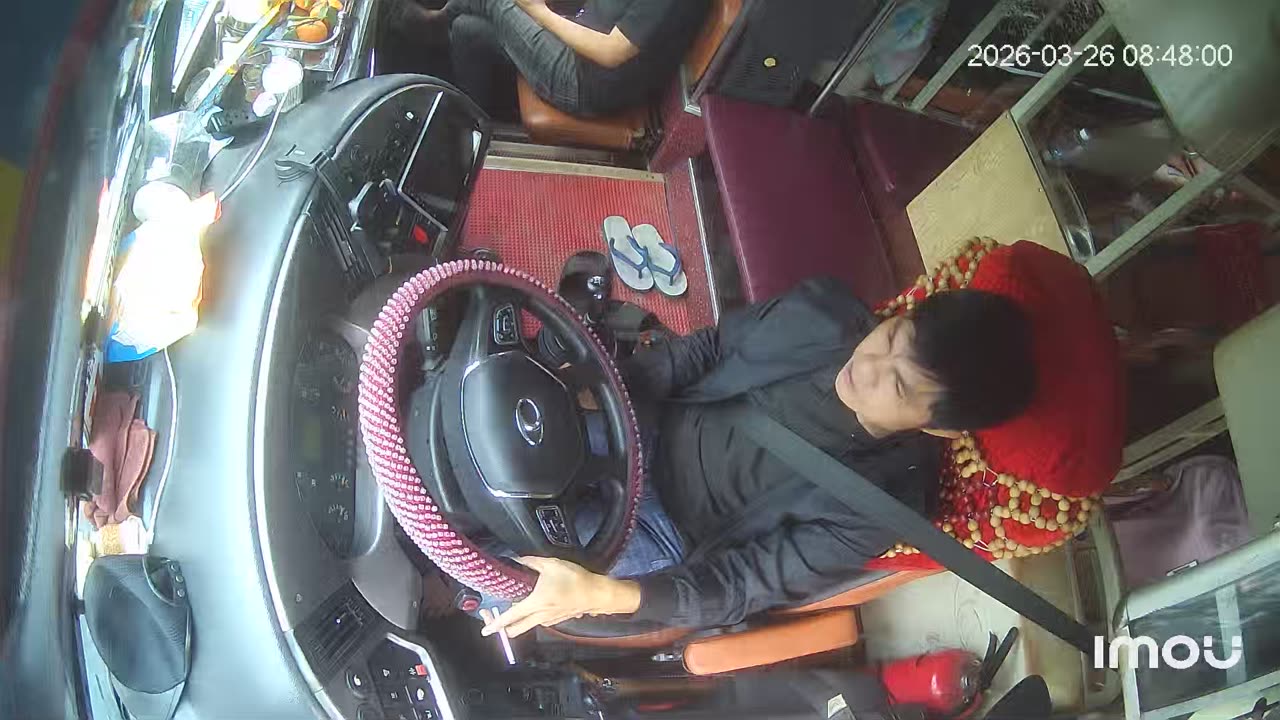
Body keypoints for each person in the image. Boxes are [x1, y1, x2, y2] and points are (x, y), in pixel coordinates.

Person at [482, 277, 1037, 639]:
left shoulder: (882, 505)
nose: (867, 366)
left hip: (668, 531)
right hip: (645, 421)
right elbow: (709, 348)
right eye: (891, 337)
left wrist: (602, 595)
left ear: (938, 427)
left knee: (503, 576)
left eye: (896, 385)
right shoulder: (824, 311)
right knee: (482, 443)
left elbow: (744, 583)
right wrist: (606, 386)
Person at [399, 0, 710, 117]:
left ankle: (433, 24)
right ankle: (474, 123)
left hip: (584, 80)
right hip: (578, 35)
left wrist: (539, 12)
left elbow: (612, 52)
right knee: (468, 31)